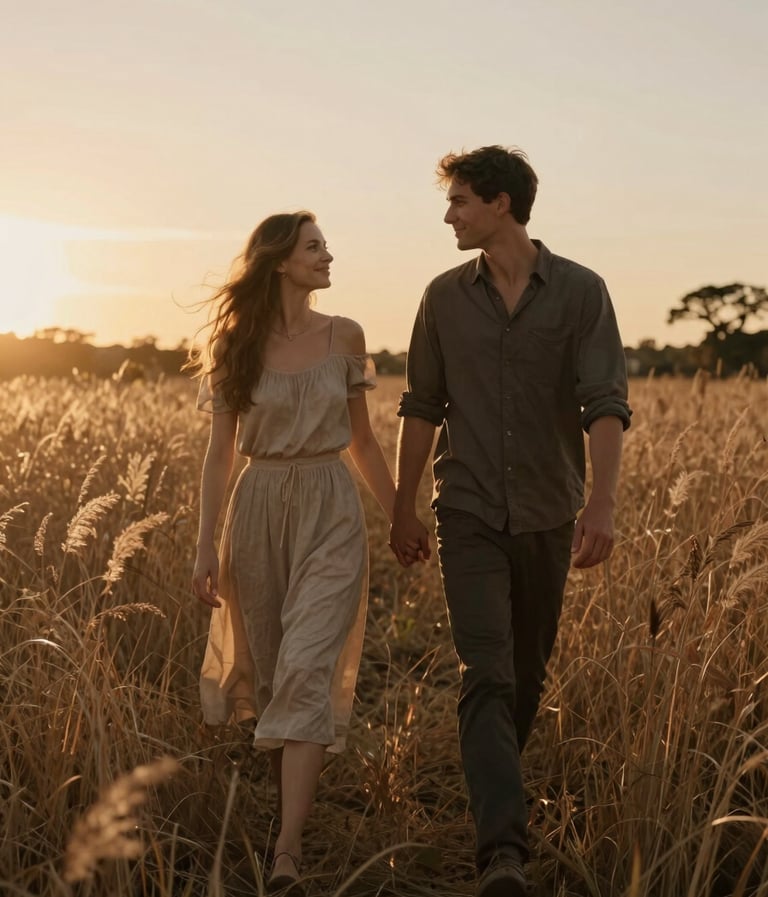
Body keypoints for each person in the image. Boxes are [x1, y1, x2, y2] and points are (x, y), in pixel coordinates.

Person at [389, 146, 631, 897]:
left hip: (550, 510)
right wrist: (401, 503)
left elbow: (605, 403)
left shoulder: (583, 292)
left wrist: (601, 502)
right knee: (486, 673)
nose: (449, 215)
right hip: (464, 508)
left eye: (459, 200)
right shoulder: (441, 296)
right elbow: (422, 405)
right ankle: (503, 851)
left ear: (500, 203)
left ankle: (494, 785)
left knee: (524, 673)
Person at [190, 211, 398, 895]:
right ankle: (289, 811)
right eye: (315, 247)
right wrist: (204, 545)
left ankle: (286, 852)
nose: (329, 255)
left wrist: (400, 516)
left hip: (330, 507)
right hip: (256, 511)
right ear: (279, 260)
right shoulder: (235, 344)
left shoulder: (346, 336)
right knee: (278, 672)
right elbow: (220, 453)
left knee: (307, 665)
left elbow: (363, 441)